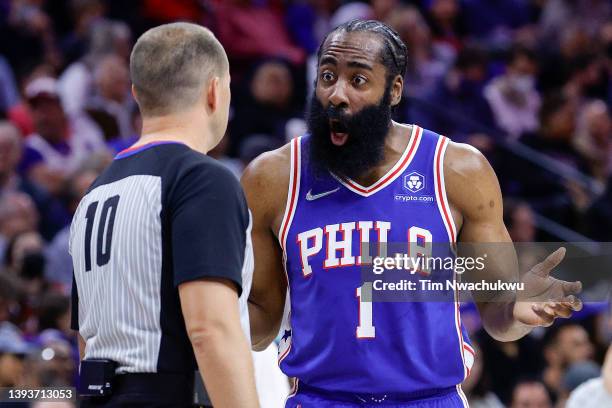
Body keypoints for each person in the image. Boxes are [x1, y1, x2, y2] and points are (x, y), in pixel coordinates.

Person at [242, 20, 583, 407]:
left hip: (429, 398)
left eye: (358, 80)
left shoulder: (456, 170)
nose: (336, 93)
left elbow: (497, 309)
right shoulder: (272, 178)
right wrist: (210, 311)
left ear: (394, 90)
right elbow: (261, 326)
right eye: (327, 75)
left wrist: (519, 310)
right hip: (320, 399)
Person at [70, 22, 258, 407]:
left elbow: (86, 339)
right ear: (214, 91)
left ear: (137, 93)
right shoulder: (203, 179)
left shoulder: (93, 194)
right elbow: (210, 330)